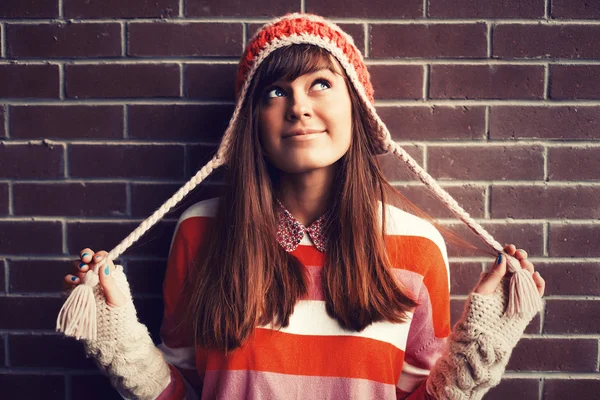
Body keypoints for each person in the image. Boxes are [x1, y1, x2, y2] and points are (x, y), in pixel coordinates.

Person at [62, 13, 545, 400]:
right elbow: (182, 390)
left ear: (357, 108)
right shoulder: (199, 231)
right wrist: (117, 335)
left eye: (320, 83)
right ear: (251, 121)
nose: (299, 107)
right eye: (276, 92)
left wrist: (481, 347)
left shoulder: (418, 246)